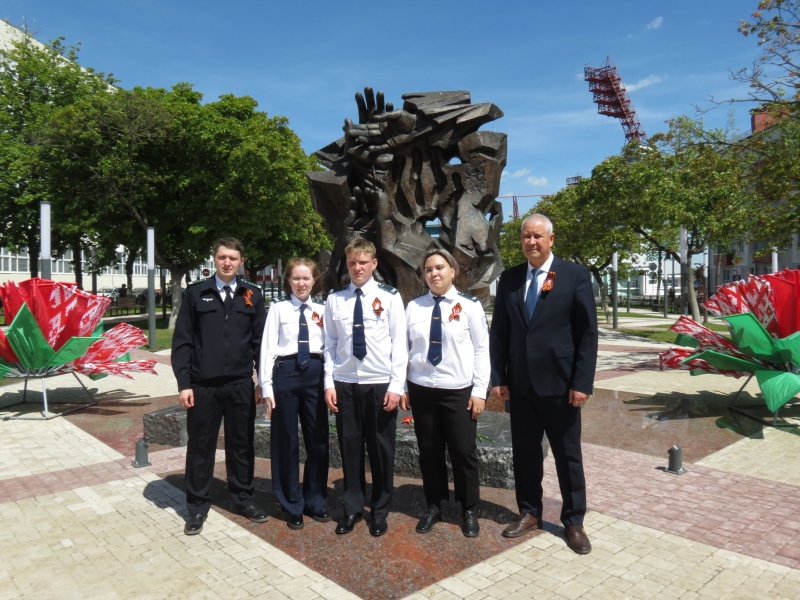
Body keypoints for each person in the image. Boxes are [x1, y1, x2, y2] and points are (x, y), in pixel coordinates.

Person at [489, 214, 598, 554]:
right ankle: (529, 511)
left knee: (568, 456)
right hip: (521, 386)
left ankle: (573, 521)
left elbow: (587, 334)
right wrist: (499, 377)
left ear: (551, 239)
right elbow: (500, 332)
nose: (531, 242)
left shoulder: (575, 275)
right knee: (525, 454)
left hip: (561, 386)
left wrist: (582, 382)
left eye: (538, 236)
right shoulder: (509, 279)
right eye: (526, 236)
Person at [172, 238, 268, 536]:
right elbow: (183, 341)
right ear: (214, 259)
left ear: (241, 262)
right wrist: (184, 383)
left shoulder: (252, 295)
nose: (227, 263)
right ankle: (196, 507)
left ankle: (244, 498)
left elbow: (260, 343)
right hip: (203, 386)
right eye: (222, 257)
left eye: (233, 258)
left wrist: (263, 383)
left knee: (242, 445)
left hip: (240, 384)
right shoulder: (196, 293)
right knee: (201, 447)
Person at [400, 248, 489, 537]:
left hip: (458, 391)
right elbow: (403, 349)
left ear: (453, 271)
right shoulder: (414, 307)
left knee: (463, 452)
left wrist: (479, 390)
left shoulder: (469, 306)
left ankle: (469, 509)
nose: (434, 273)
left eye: (439, 267)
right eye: (428, 269)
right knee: (429, 451)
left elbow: (482, 349)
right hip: (422, 389)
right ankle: (434, 505)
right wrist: (403, 386)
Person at [323, 238, 407, 536]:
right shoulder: (335, 300)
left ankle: (380, 511)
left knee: (381, 449)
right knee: (350, 448)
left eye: (362, 262)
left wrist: (396, 386)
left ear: (374, 264)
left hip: (379, 383)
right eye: (352, 263)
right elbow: (329, 344)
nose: (357, 268)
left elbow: (400, 344)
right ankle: (352, 508)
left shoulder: (389, 297)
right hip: (345, 383)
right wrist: (329, 383)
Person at [259, 258, 330, 530]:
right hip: (286, 373)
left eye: (306, 278)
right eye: (296, 278)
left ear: (314, 281)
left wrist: (329, 383)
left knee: (318, 440)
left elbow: (330, 348)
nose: (301, 283)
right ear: (288, 281)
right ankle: (291, 503)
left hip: (315, 373)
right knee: (286, 441)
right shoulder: (278, 308)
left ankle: (315, 500)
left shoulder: (322, 310)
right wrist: (267, 387)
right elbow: (268, 348)